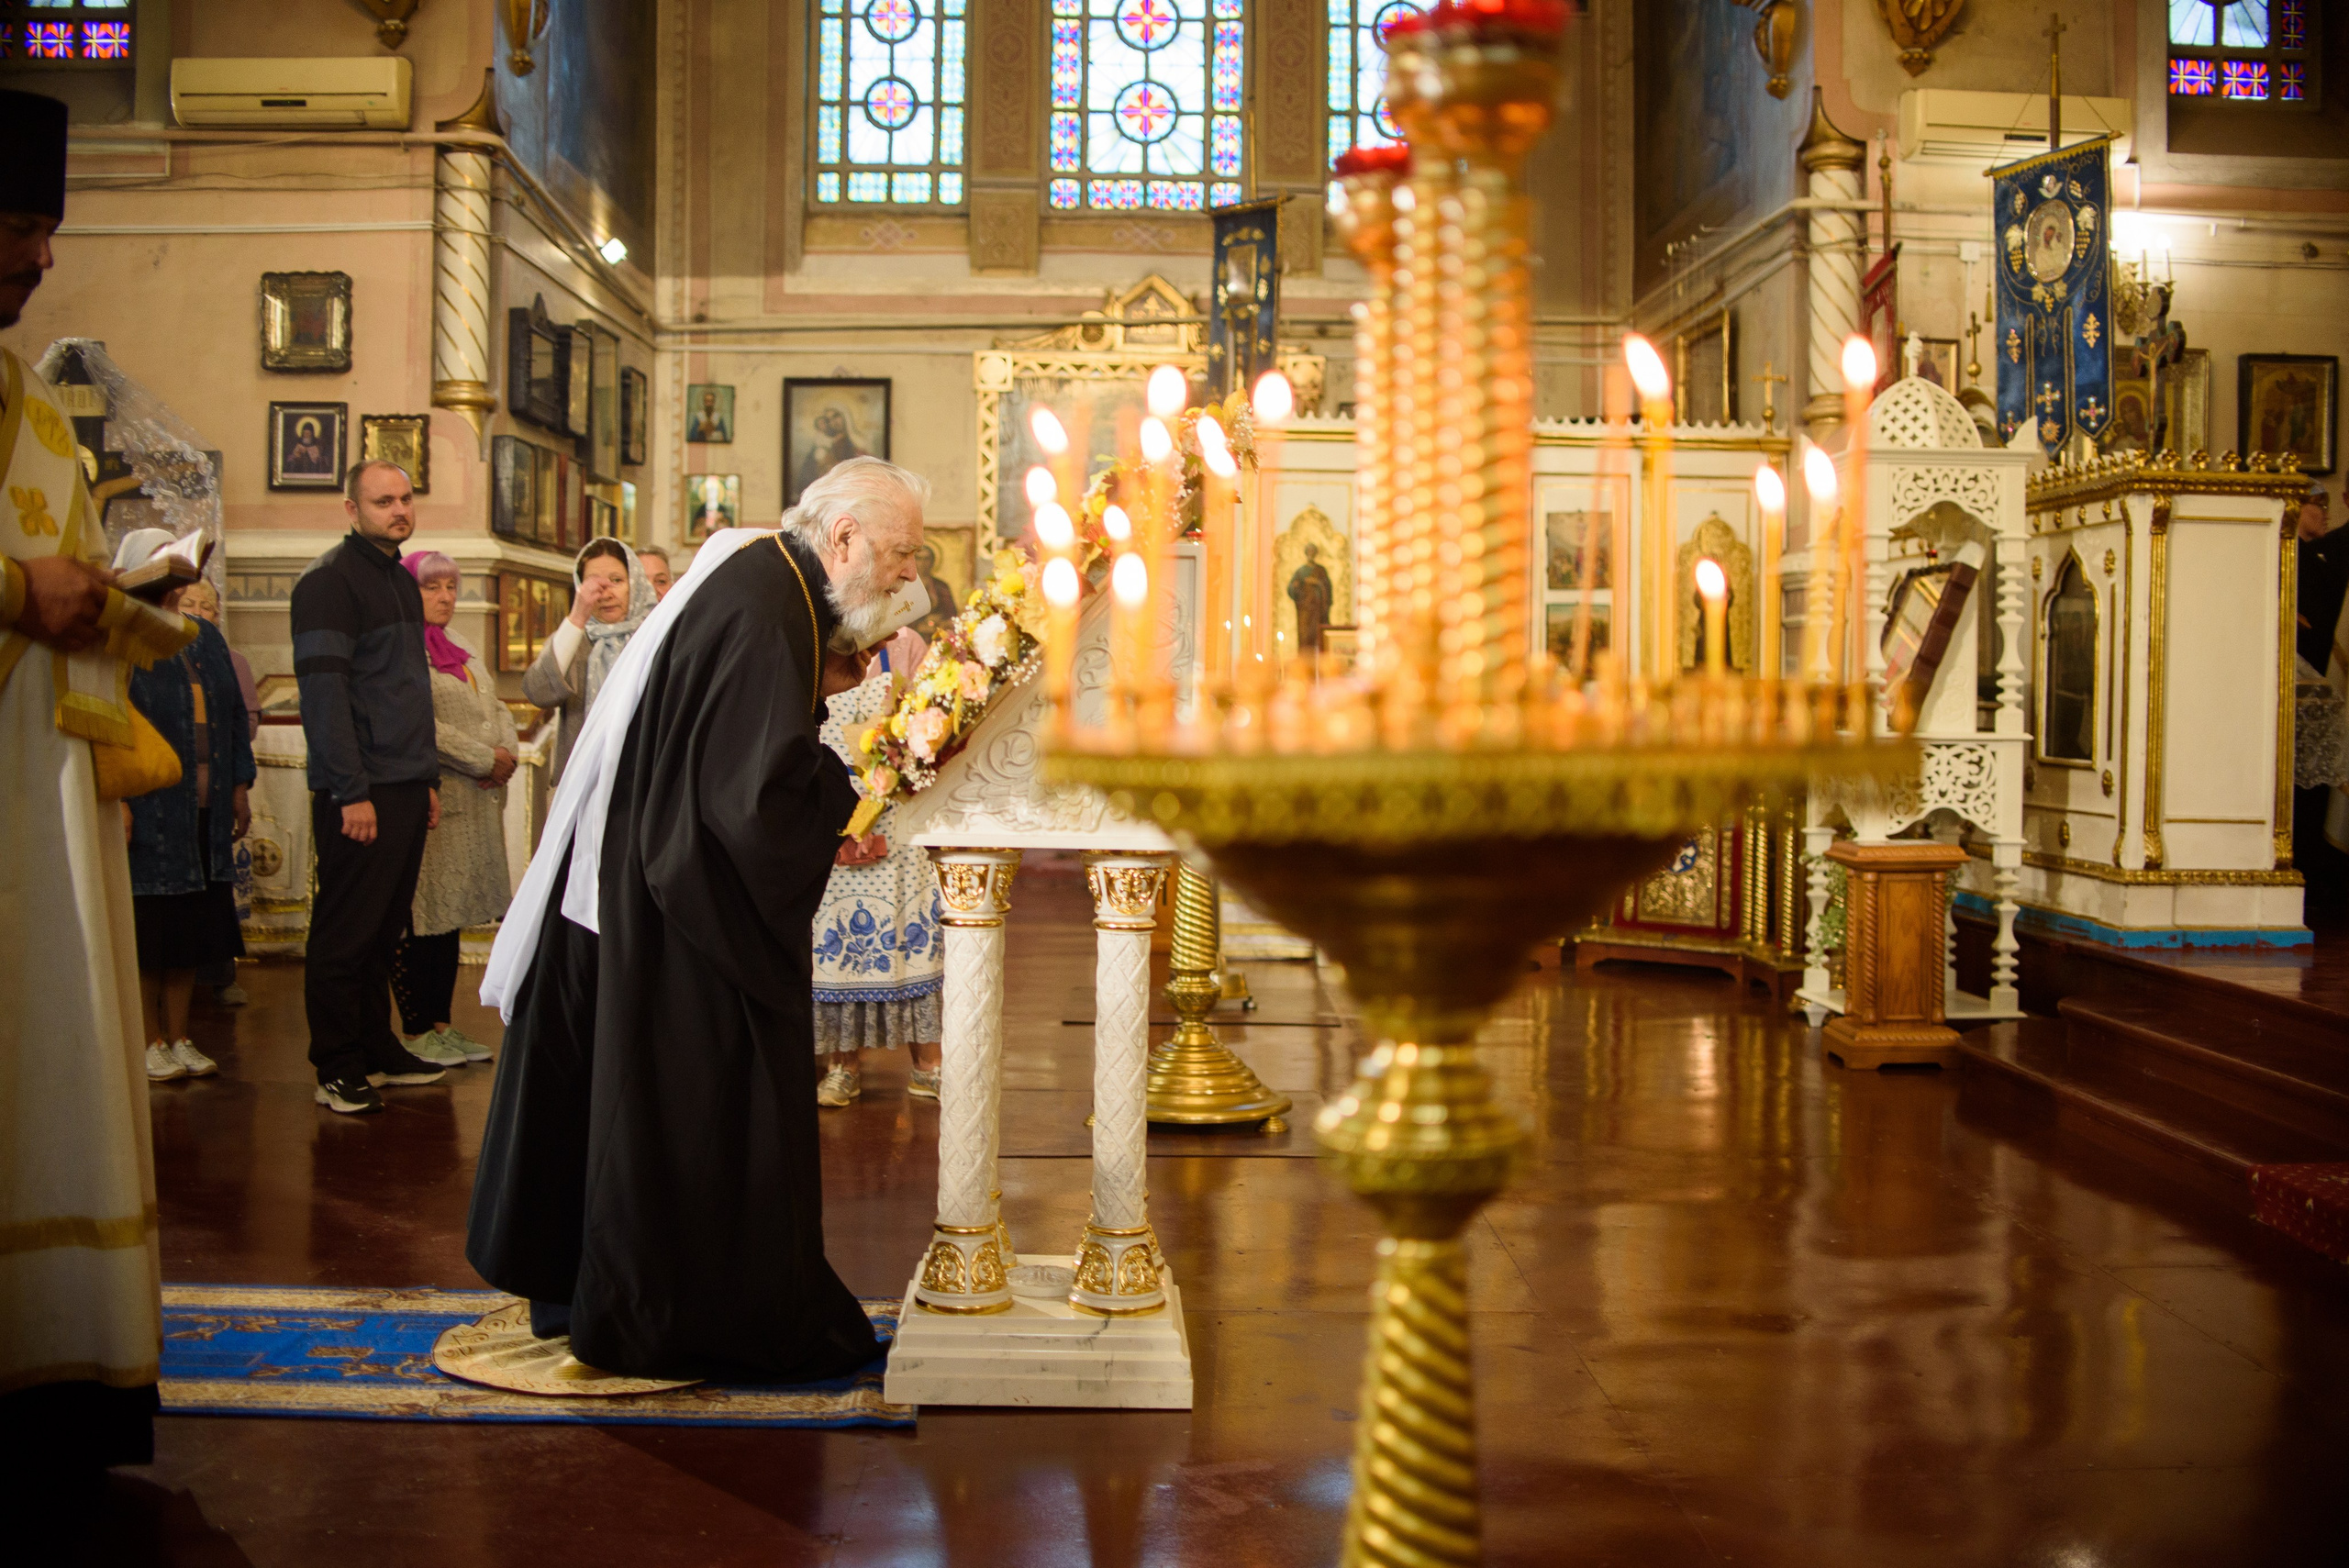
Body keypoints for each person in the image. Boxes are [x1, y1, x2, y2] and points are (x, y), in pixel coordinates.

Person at [468, 455, 929, 1383]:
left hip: (647, 874)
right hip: (675, 904)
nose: (908, 579)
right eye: (900, 555)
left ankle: (586, 1286)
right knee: (691, 1102)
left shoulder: (772, 585)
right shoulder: (769, 607)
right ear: (841, 540)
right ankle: (682, 1314)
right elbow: (751, 801)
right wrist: (850, 798)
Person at [0, 85, 194, 1504]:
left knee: (55, 1058)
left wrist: (117, 602)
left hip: (44, 792)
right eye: (18, 229)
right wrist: (19, 589)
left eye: (47, 232)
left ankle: (61, 1372)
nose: (41, 261)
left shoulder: (30, 412)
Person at [292, 460, 448, 1115]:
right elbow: (325, 695)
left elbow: (409, 689)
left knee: (386, 929)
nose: (398, 509)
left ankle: (376, 1044)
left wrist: (428, 778)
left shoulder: (402, 583)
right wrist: (350, 789)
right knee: (345, 930)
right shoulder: (329, 583)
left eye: (405, 498)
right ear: (351, 509)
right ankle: (336, 1062)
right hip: (361, 788)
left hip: (407, 781)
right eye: (383, 501)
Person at [118, 531, 254, 1083]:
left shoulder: (204, 638)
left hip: (205, 805)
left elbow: (231, 719)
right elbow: (113, 722)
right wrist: (122, 800)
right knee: (153, 929)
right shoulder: (123, 634)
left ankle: (179, 1035)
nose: (178, 587)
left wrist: (240, 786)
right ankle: (147, 1040)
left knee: (191, 931)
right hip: (151, 809)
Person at [390, 550, 518, 1068]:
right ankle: (418, 1028)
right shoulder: (402, 649)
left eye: (450, 586)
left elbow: (497, 705)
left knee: (451, 919)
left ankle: (443, 1023)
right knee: (422, 918)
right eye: (430, 587)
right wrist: (486, 757)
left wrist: (506, 753)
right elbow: (423, 723)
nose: (444, 596)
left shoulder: (460, 644)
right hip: (437, 799)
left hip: (478, 796)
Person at [812, 623, 945, 1107]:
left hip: (896, 810)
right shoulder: (817, 640)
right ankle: (841, 1067)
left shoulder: (907, 644)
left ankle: (927, 1064)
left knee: (909, 938)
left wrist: (892, 773)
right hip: (831, 800)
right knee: (839, 939)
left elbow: (935, 723)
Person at [179, 578, 258, 1007]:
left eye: (205, 605)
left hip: (219, 784)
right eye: (187, 603)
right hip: (172, 791)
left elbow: (241, 720)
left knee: (215, 885)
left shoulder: (231, 660)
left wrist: (236, 785)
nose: (195, 611)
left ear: (217, 612)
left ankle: (219, 971)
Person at [522, 537, 653, 788]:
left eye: (616, 580)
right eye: (594, 583)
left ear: (634, 583)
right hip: (584, 785)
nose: (606, 593)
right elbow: (537, 692)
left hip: (644, 780)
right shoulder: (574, 638)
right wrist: (578, 616)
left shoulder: (656, 635)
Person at [1288, 542, 1335, 656]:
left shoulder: (1321, 571)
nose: (1311, 553)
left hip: (1318, 610)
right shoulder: (1300, 571)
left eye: (1312, 551)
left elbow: (1327, 588)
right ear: (1306, 553)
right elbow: (1292, 588)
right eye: (1308, 551)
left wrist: (1318, 583)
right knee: (1305, 636)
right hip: (1304, 611)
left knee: (1317, 635)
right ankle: (1304, 661)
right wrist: (1296, 587)